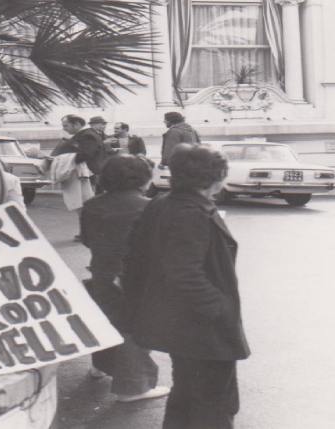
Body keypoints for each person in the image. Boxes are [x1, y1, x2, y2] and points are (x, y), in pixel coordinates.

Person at [124, 144, 250, 429]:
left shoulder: (163, 203)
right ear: (216, 177)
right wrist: (218, 308)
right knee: (212, 401)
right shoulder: (192, 212)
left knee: (187, 395)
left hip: (180, 324)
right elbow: (184, 273)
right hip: (200, 327)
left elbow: (134, 258)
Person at [80, 155, 170, 403]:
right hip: (135, 277)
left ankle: (101, 367)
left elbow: (87, 239)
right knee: (135, 328)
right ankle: (133, 387)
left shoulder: (92, 206)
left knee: (106, 321)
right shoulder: (151, 206)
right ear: (143, 178)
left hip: (101, 271)